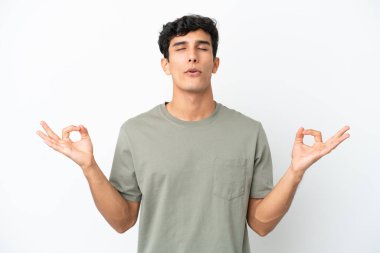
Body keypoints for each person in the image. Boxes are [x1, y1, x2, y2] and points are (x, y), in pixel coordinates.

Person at [36, 14, 350, 253]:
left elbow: (260, 224)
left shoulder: (249, 131)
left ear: (215, 63)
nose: (192, 56)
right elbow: (122, 221)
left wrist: (295, 172)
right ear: (165, 63)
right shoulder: (136, 132)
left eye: (202, 48)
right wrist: (89, 167)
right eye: (180, 48)